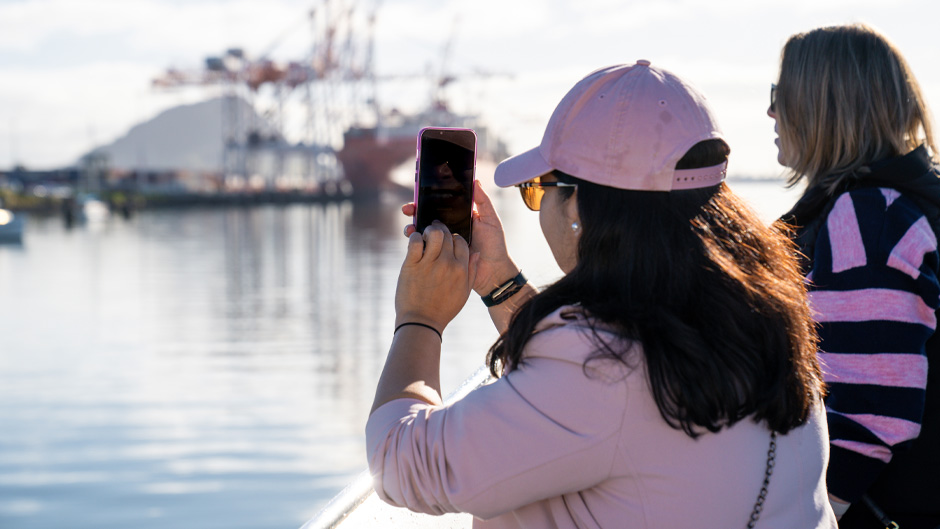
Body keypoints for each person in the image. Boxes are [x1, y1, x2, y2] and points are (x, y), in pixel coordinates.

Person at [367, 61, 836, 528]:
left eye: (538, 190)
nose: (538, 206)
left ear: (578, 203)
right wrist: (497, 280)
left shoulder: (604, 369)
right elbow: (589, 395)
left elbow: (401, 463)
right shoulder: (759, 313)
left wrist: (419, 317)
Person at [770, 23, 940, 528]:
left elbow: (870, 412)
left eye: (781, 94)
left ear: (823, 105)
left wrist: (816, 517)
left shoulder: (869, 218)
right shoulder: (902, 203)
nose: (771, 111)